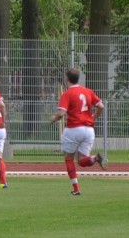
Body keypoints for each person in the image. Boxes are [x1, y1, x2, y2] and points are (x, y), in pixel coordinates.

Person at [50, 68, 108, 196]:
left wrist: (54, 119)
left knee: (68, 158)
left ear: (67, 79)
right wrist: (93, 117)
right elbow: (101, 106)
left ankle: (76, 189)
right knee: (82, 161)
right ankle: (96, 158)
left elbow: (61, 113)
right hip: (89, 130)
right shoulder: (87, 91)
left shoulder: (67, 93)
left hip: (74, 129)